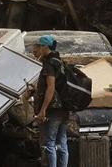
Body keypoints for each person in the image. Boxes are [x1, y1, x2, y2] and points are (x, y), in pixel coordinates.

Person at [31, 35, 69, 167]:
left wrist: (43, 110)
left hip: (53, 109)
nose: (38, 49)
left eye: (40, 46)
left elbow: (51, 88)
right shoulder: (60, 61)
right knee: (62, 143)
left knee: (49, 143)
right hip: (64, 108)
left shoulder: (49, 64)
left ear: (45, 47)